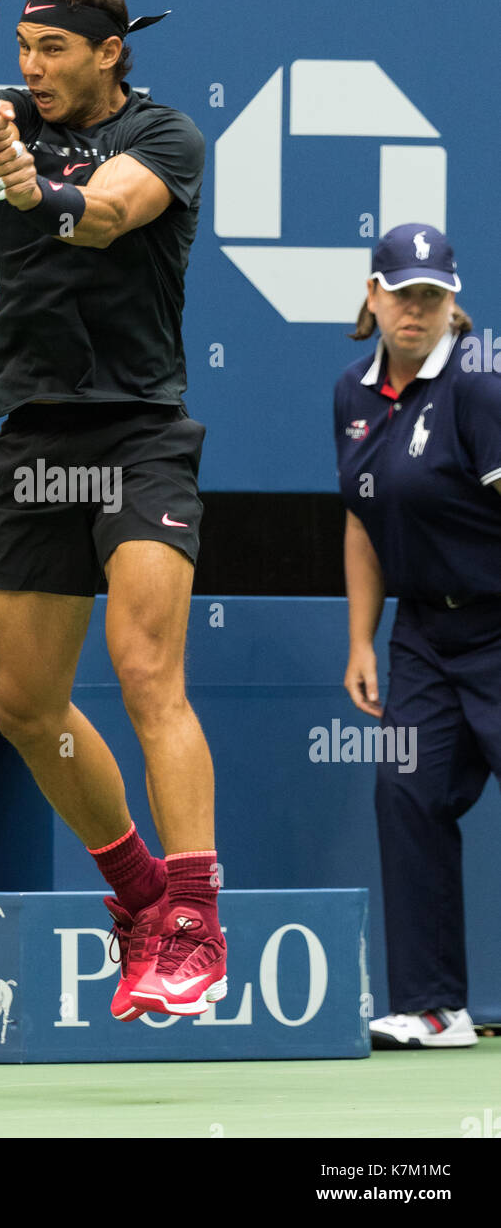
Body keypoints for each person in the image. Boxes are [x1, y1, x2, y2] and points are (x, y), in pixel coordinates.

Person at [0, 0, 225, 1020]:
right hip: (33, 438)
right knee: (23, 704)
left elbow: (107, 216)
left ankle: (196, 921)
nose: (33, 66)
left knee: (143, 664)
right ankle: (140, 896)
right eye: (23, 47)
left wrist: (34, 185)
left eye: (54, 48)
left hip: (139, 434)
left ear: (111, 51)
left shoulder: (166, 138)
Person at [334, 223, 501, 1049]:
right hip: (424, 636)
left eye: (433, 295)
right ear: (373, 294)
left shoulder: (481, 387)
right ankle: (435, 1008)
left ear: (452, 301)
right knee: (407, 793)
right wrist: (362, 640)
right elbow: (366, 522)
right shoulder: (353, 396)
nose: (417, 309)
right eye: (402, 292)